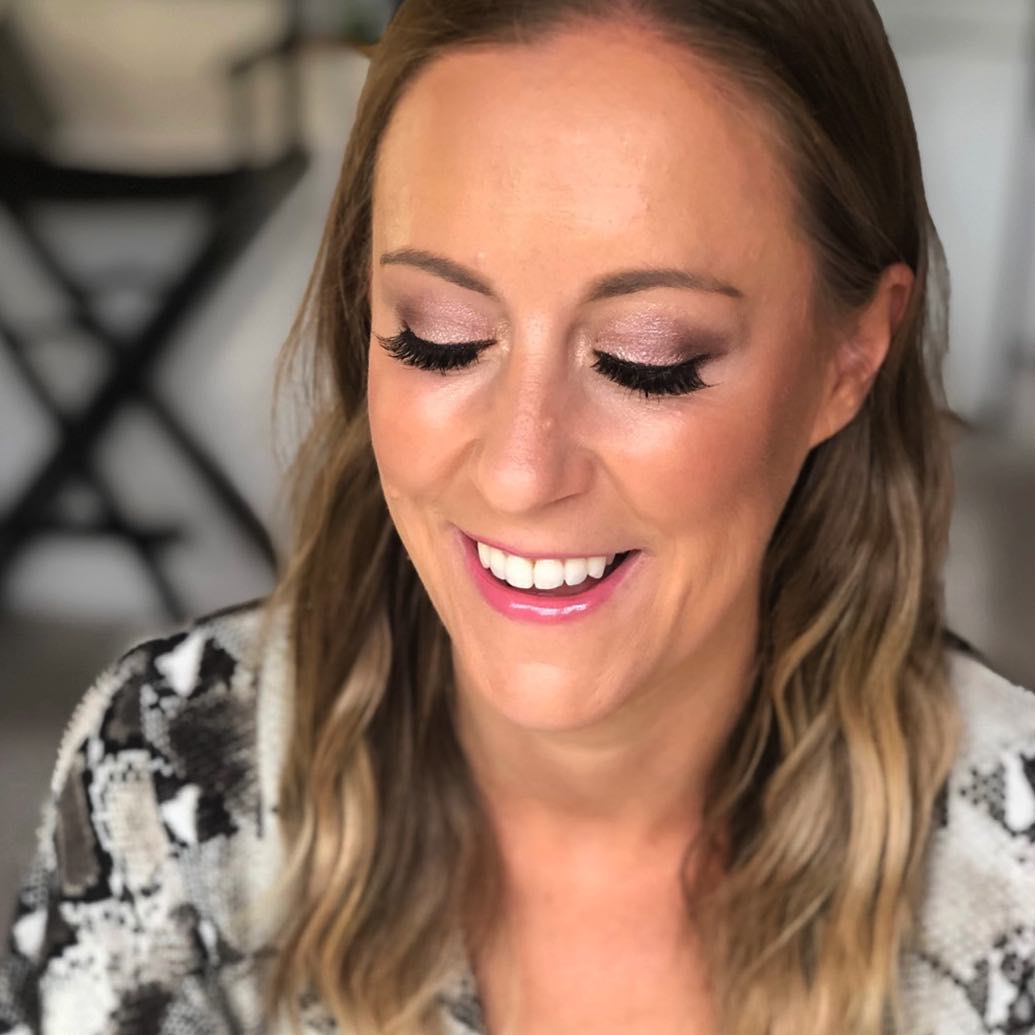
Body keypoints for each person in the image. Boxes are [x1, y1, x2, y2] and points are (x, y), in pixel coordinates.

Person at [2, 1, 1034, 1033]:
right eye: (439, 338)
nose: (518, 472)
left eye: (646, 358)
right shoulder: (170, 775)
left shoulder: (1011, 863)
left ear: (849, 357)